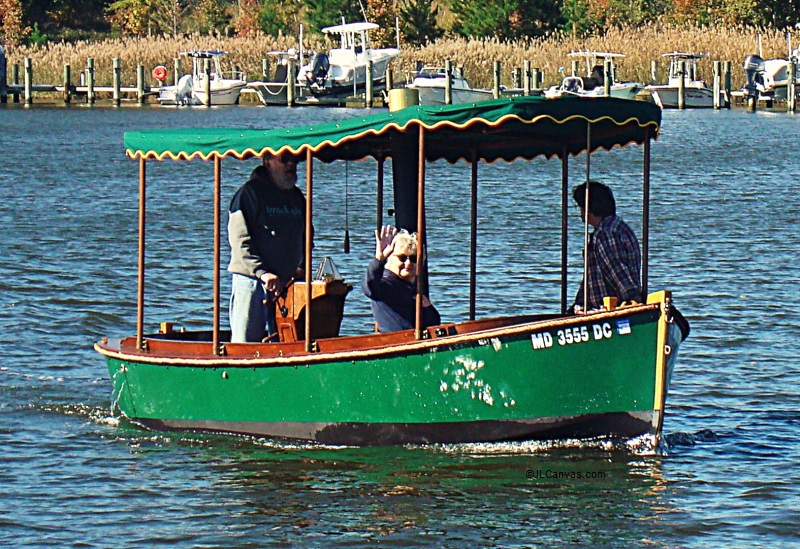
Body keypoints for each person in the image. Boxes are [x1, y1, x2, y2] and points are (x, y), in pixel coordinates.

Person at [227, 151, 307, 342]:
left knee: (286, 344)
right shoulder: (249, 194)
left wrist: (301, 268)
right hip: (252, 282)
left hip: (286, 285)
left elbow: (306, 237)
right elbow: (239, 241)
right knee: (244, 346)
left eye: (295, 160)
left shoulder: (297, 197)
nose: (291, 165)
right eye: (285, 159)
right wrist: (262, 272)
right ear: (268, 162)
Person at [572, 180, 642, 314]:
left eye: (580, 207)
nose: (580, 211)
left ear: (588, 208)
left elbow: (617, 272)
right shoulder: (618, 227)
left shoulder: (605, 234)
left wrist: (632, 301)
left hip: (607, 313)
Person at [362, 225, 441, 333]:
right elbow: (369, 287)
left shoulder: (412, 287)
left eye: (413, 258)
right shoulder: (386, 284)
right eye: (402, 258)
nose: (408, 263)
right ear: (390, 259)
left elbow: (433, 322)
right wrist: (379, 260)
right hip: (395, 343)